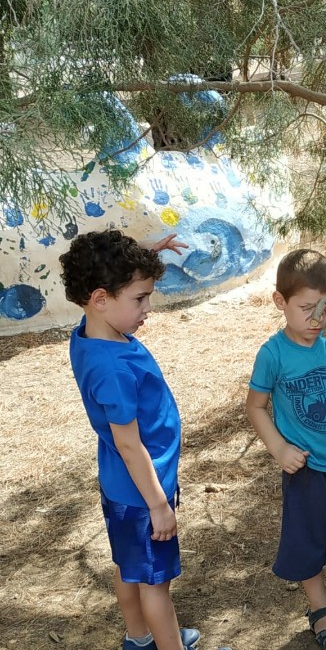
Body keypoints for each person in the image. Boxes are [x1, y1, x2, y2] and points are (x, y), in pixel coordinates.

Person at [59, 229, 201, 650]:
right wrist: (159, 505)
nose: (148, 308)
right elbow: (128, 444)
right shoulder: (113, 370)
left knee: (128, 567)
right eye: (140, 298)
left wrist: (142, 258)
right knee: (155, 584)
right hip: (143, 492)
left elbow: (105, 284)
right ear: (101, 299)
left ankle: (138, 639)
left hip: (121, 486)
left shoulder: (89, 332)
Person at [245, 249, 326, 650]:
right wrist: (278, 447)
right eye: (305, 309)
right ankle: (320, 606)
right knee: (309, 537)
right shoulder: (274, 354)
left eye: (324, 309)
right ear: (280, 302)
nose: (315, 320)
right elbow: (255, 406)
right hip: (305, 469)